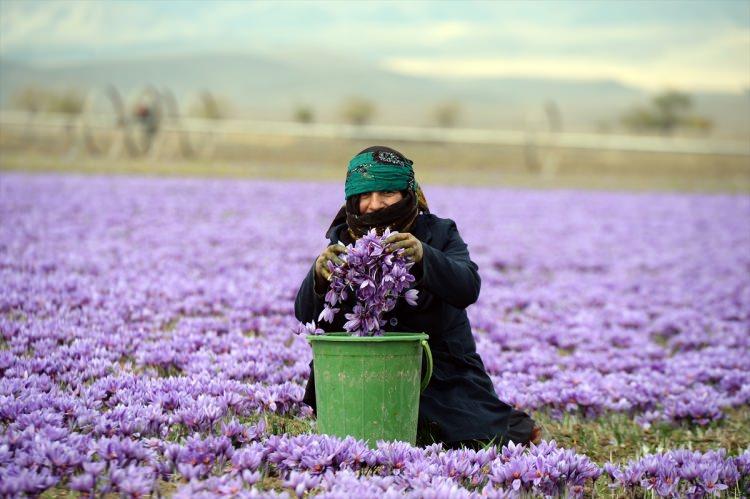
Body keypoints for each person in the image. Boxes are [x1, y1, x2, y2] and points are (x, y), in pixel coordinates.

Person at [294, 145, 541, 448]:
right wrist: (318, 277)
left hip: (438, 370)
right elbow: (306, 316)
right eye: (364, 196)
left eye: (387, 193)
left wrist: (425, 256)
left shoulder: (438, 232)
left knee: (475, 429)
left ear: (407, 193)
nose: (374, 205)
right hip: (364, 368)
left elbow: (468, 286)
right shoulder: (343, 240)